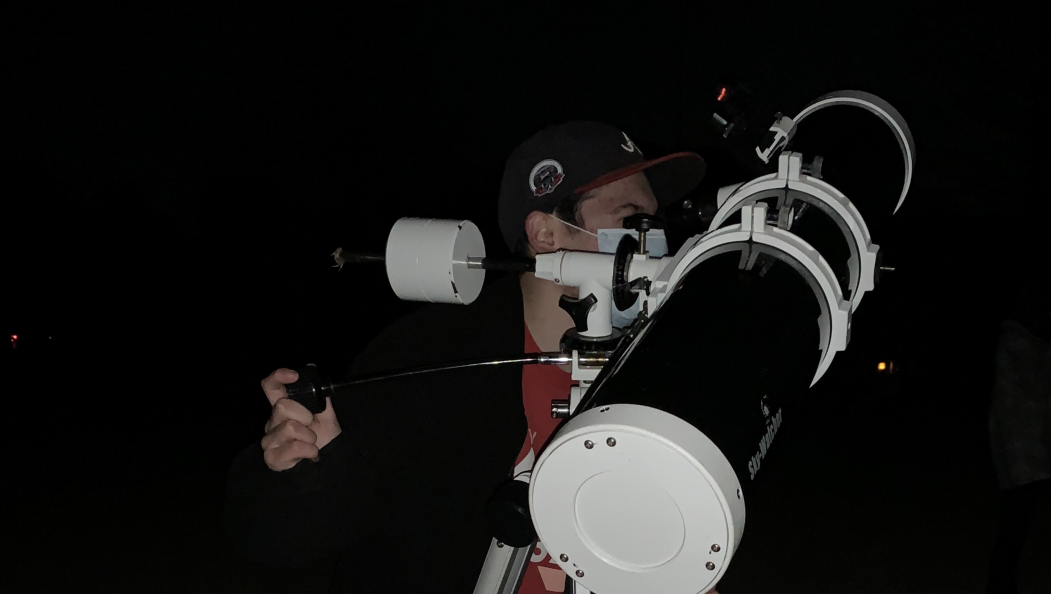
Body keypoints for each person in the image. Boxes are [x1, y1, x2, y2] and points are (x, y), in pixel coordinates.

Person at [224, 121, 707, 593]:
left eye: (656, 221)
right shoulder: (433, 357)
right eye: (631, 220)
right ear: (547, 235)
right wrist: (299, 471)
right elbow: (287, 538)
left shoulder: (646, 367)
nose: (653, 240)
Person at [985, 274, 1051, 594]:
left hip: (1030, 451)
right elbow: (1046, 383)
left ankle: (1009, 582)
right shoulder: (1016, 342)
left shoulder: (1029, 344)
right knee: (1017, 522)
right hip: (1020, 451)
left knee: (1024, 522)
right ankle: (1002, 585)